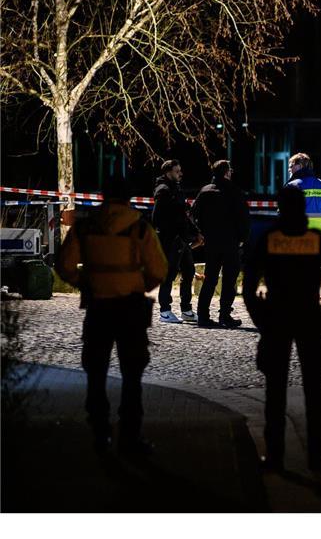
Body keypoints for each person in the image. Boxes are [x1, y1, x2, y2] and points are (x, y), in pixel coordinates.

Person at [55, 175, 168, 455]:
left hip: (98, 309)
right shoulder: (140, 228)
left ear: (103, 196)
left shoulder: (86, 226)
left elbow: (64, 264)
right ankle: (130, 436)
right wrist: (139, 285)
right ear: (129, 197)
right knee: (132, 374)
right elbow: (159, 270)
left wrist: (84, 282)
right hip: (130, 308)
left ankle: (100, 431)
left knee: (96, 372)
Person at [242, 185, 321, 472]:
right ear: (302, 208)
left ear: (279, 208)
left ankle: (274, 456)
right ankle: (317, 454)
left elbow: (249, 289)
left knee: (274, 392)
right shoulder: (316, 240)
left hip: (276, 319)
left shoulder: (267, 239)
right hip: (310, 319)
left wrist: (261, 321)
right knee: (315, 392)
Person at [191, 160, 250, 328]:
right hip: (230, 242)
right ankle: (225, 315)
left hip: (212, 242)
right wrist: (243, 239)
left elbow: (193, 215)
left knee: (210, 278)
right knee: (229, 280)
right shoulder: (234, 191)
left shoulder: (205, 191)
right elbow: (244, 219)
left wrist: (201, 232)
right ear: (226, 173)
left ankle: (203, 316)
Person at [153, 159, 203, 325]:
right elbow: (158, 218)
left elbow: (184, 215)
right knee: (169, 274)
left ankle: (186, 310)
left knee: (188, 272)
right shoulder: (163, 190)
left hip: (182, 239)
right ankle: (165, 311)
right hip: (171, 239)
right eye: (177, 171)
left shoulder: (177, 189)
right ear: (168, 172)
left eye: (180, 170)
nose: (180, 173)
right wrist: (171, 235)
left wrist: (195, 233)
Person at [285, 152, 321, 234]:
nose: (289, 169)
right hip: (320, 233)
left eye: (291, 166)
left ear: (299, 166)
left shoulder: (292, 186)